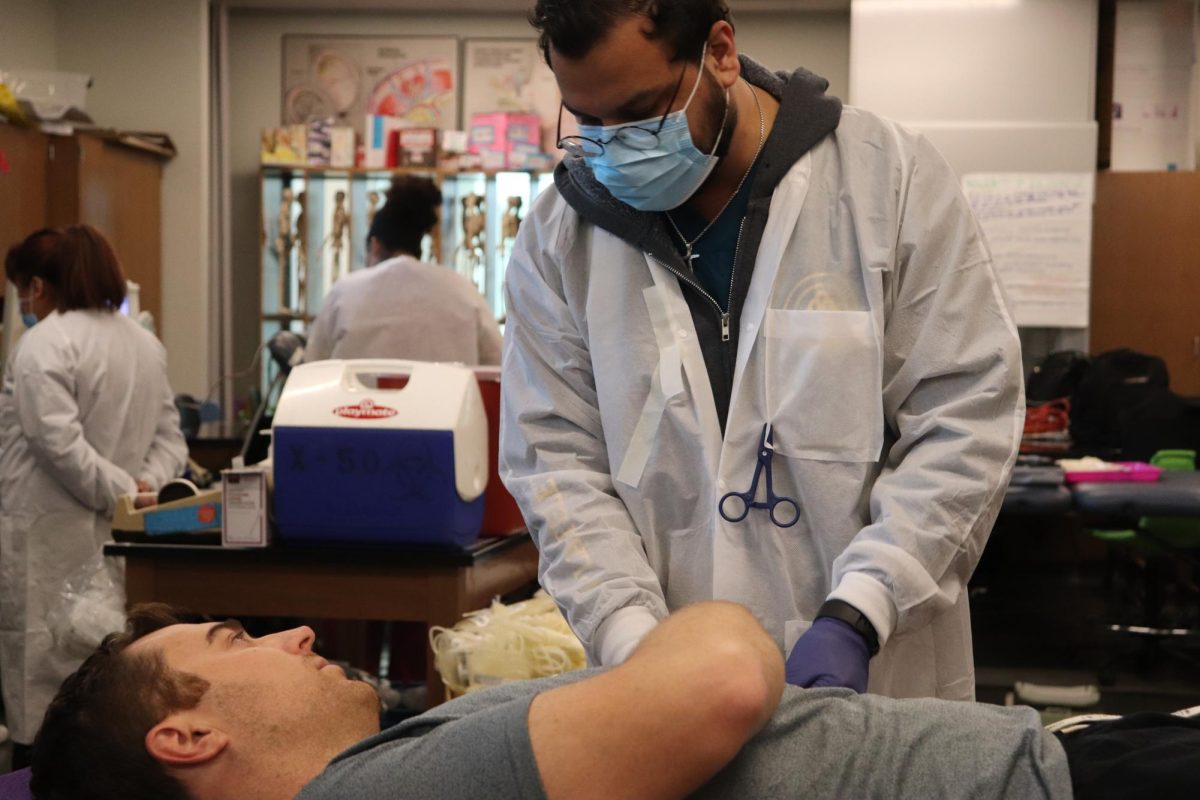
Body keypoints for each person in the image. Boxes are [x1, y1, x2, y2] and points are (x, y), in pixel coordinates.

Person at [499, 1, 1024, 697]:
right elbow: (555, 460)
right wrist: (633, 639)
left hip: (874, 673)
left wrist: (861, 613)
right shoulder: (557, 240)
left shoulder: (888, 182)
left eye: (642, 112)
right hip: (666, 694)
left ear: (719, 52)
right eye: (588, 122)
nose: (614, 146)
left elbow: (967, 417)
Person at [29, 601, 1200, 800]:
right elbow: (728, 680)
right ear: (187, 732)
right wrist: (697, 625)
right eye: (234, 639)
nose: (294, 633)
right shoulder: (374, 789)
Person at [0, 225, 188, 767]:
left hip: (48, 538)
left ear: (39, 285)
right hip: (119, 538)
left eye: (21, 291)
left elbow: (56, 444)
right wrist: (141, 491)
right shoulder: (144, 342)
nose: (23, 303)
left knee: (43, 701)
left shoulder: (42, 343)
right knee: (107, 688)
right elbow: (169, 436)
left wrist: (123, 493)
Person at [303, 176, 503, 365]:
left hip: (359, 402)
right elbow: (497, 365)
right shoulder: (462, 290)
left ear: (374, 245)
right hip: (447, 402)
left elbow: (312, 367)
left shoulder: (345, 292)